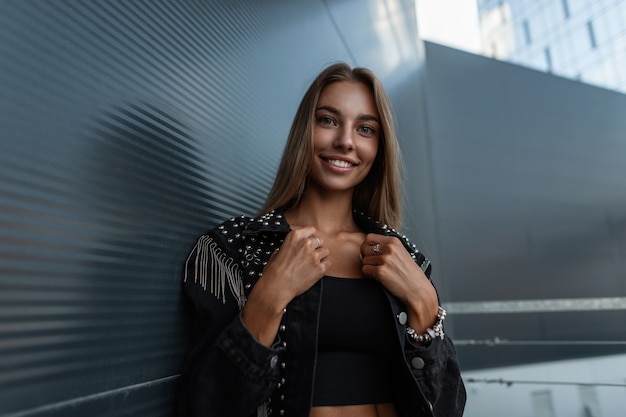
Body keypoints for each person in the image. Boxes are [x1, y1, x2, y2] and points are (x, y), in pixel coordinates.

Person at [177, 63, 466, 417]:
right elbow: (207, 405)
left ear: (379, 147)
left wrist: (424, 303)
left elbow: (448, 408)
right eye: (328, 120)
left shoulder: (405, 259)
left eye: (365, 128)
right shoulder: (232, 249)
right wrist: (270, 295)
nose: (345, 141)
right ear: (304, 131)